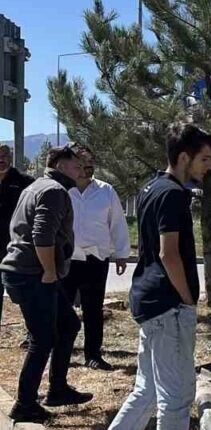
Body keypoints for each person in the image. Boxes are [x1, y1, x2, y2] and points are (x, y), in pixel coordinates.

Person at [79, 125, 211, 430]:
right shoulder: (173, 194)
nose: (209, 167)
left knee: (148, 390)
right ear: (184, 157)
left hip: (150, 301)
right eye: (205, 159)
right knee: (177, 395)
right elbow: (168, 254)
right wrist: (187, 298)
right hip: (168, 306)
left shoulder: (151, 188)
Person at [2, 146, 93, 422]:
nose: (81, 171)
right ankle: (25, 405)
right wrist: (50, 272)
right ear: (61, 165)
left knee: (68, 325)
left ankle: (58, 390)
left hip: (27, 272)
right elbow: (42, 235)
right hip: (33, 275)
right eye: (76, 166)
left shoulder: (38, 186)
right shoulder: (53, 190)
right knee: (42, 339)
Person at [66, 145, 131, 371]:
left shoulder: (106, 191)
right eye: (81, 165)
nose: (86, 170)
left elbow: (117, 223)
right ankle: (61, 354)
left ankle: (93, 355)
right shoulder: (62, 190)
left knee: (93, 310)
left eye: (90, 165)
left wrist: (121, 254)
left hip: (96, 259)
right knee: (63, 311)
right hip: (67, 259)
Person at [0, 143, 35, 330]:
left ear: (11, 157)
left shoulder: (25, 182)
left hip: (17, 249)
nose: (1, 159)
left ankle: (32, 335)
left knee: (24, 295)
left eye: (5, 155)